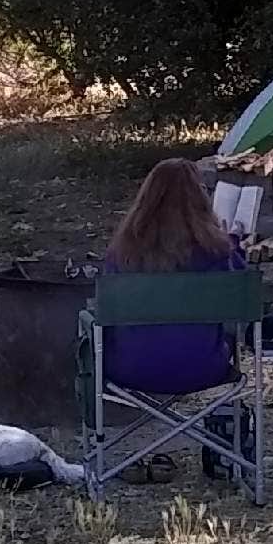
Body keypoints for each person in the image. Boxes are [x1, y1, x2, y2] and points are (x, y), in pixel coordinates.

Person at [96, 158, 245, 481]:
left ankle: (105, 466)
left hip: (129, 368)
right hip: (204, 367)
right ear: (201, 198)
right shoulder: (219, 251)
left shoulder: (121, 253)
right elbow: (244, 303)